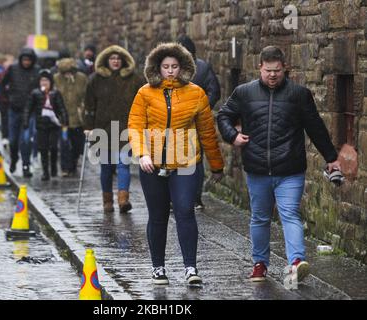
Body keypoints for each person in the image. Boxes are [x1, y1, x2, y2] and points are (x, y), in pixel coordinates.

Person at [216, 46, 341, 283]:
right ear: (260, 68)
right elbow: (224, 115)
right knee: (260, 217)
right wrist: (232, 135)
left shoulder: (299, 94)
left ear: (285, 68)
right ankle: (260, 264)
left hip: (290, 169)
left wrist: (331, 158)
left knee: (290, 214)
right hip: (257, 167)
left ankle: (296, 262)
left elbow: (315, 127)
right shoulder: (244, 92)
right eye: (267, 71)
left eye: (277, 71)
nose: (272, 75)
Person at [128, 43, 224, 285]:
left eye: (174, 66)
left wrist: (217, 165)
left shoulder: (196, 93)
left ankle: (190, 268)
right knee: (158, 216)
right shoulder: (144, 93)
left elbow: (207, 132)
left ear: (183, 67)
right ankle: (158, 268)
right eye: (165, 67)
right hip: (152, 165)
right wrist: (142, 154)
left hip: (186, 164)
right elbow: (135, 127)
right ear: (157, 68)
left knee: (185, 212)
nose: (170, 71)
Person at [84, 45, 144, 213]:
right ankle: (107, 201)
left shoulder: (135, 80)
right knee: (106, 167)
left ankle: (123, 200)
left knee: (123, 164)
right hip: (103, 130)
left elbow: (142, 104)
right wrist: (88, 127)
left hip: (126, 129)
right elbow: (89, 106)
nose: (115, 61)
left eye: (118, 59)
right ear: (106, 61)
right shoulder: (95, 79)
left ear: (123, 61)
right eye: (112, 59)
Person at [177, 34, 221, 211]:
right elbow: (215, 92)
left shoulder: (200, 68)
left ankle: (192, 197)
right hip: (178, 122)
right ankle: (189, 197)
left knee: (193, 160)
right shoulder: (176, 68)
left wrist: (201, 109)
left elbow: (214, 92)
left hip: (191, 122)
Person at [0, 48, 40, 177]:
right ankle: (14, 158)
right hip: (14, 109)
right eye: (24, 60)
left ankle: (25, 164)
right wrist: (6, 99)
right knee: (13, 140)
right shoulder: (13, 69)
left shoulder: (37, 71)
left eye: (29, 60)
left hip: (30, 111)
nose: (26, 62)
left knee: (26, 140)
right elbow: (2, 84)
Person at [24, 69, 67, 181]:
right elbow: (28, 108)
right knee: (43, 148)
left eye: (46, 80)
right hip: (41, 125)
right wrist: (26, 121)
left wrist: (64, 119)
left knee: (53, 147)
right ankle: (45, 172)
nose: (44, 83)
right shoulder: (35, 93)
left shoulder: (55, 93)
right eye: (42, 80)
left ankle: (53, 167)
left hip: (54, 125)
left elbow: (61, 107)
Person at [54, 58, 88, 177]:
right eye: (65, 72)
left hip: (78, 118)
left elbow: (85, 95)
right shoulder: (57, 79)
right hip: (63, 119)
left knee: (77, 144)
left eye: (71, 71)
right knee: (64, 144)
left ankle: (73, 164)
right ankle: (65, 167)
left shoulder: (81, 78)